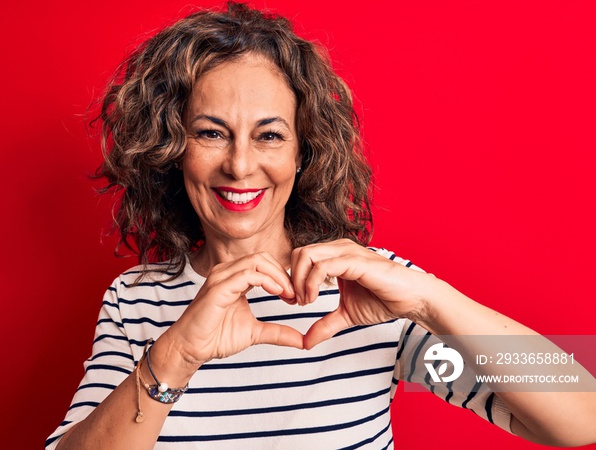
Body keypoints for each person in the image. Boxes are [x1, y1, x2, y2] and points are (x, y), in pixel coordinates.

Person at [46, 3, 596, 449]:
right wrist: (176, 355)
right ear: (173, 148)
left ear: (303, 154)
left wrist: (430, 301)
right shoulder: (135, 300)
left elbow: (582, 416)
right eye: (211, 133)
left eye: (269, 135)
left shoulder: (369, 293)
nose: (240, 165)